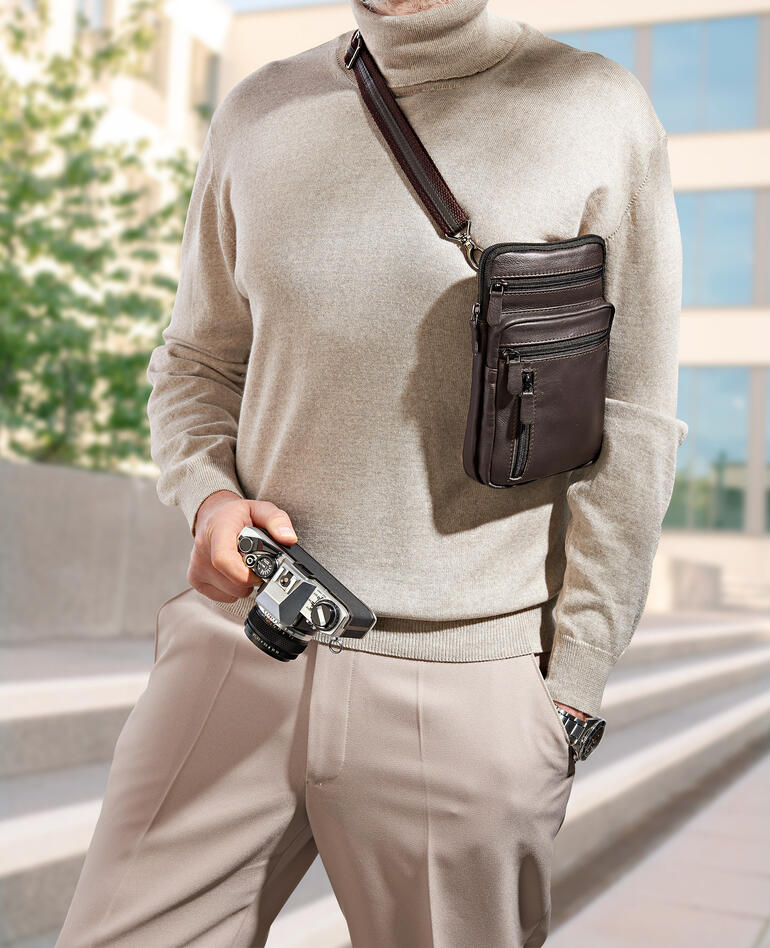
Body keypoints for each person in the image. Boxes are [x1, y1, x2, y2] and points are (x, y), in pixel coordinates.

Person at [57, 0, 686, 944]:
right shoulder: (258, 111)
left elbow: (629, 420)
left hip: (466, 684)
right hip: (243, 641)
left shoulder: (594, 108)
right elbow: (196, 361)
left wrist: (574, 686)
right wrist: (209, 497)